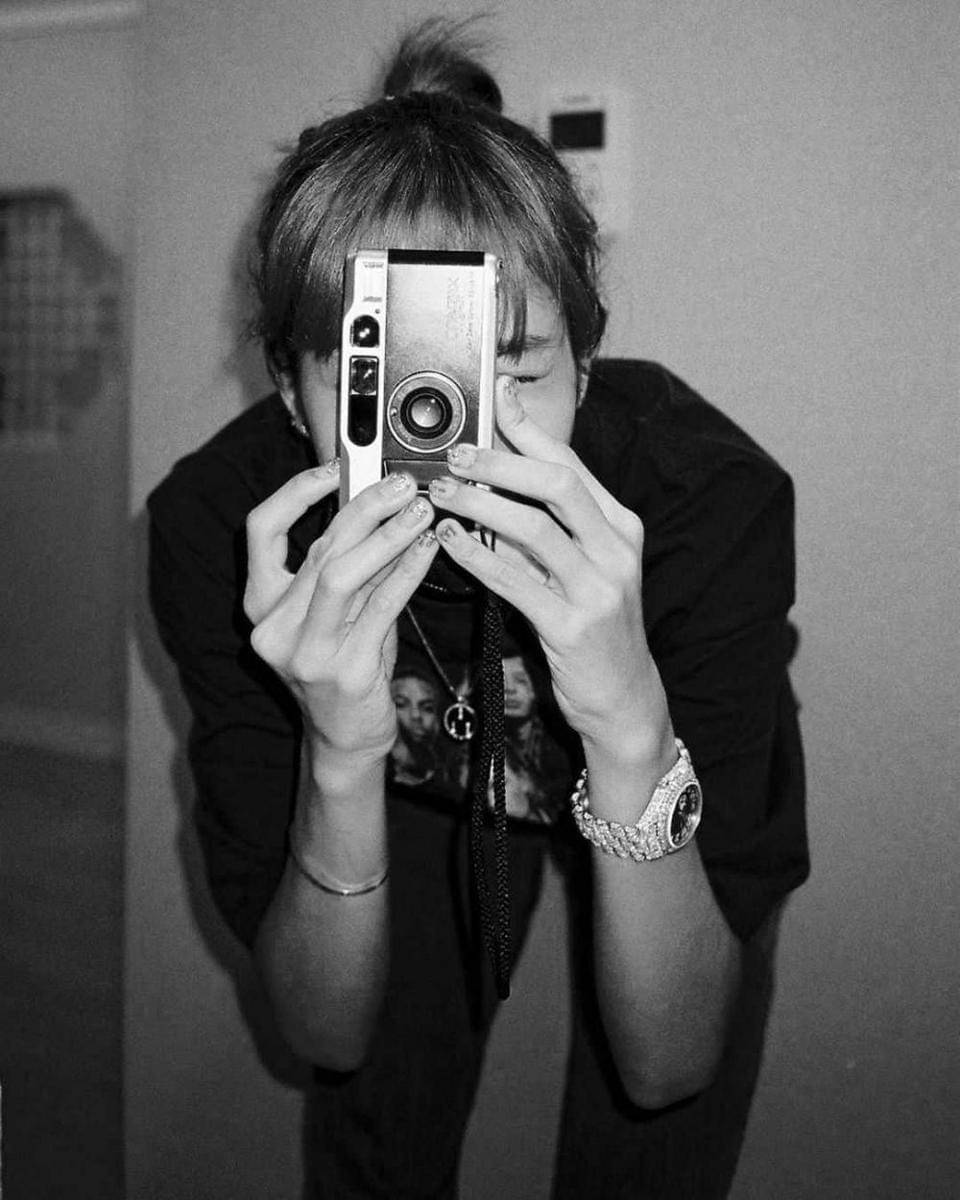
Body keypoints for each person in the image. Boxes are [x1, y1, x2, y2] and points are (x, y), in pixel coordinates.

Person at [148, 17, 809, 1199]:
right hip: (408, 795)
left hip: (652, 761)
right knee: (375, 1135)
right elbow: (323, 1034)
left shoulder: (701, 506)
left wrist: (628, 724)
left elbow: (671, 1066)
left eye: (516, 369)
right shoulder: (227, 534)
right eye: (389, 377)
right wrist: (338, 753)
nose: (449, 430)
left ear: (590, 366)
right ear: (289, 392)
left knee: (646, 1161)